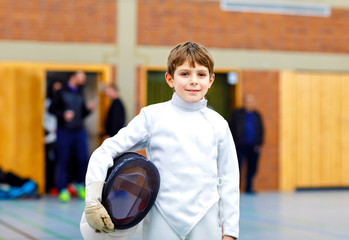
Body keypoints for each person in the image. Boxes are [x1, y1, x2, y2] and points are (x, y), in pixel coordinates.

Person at [80, 42, 240, 240]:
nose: (193, 81)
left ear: (211, 80)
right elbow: (106, 151)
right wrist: (93, 200)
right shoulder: (152, 116)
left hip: (205, 217)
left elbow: (229, 178)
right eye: (184, 74)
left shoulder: (218, 124)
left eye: (201, 74)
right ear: (170, 79)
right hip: (162, 217)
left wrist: (230, 231)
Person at [49, 71, 97, 202]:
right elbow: (52, 109)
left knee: (83, 158)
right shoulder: (61, 92)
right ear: (73, 77)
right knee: (63, 160)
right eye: (80, 78)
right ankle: (62, 189)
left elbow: (82, 113)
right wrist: (63, 114)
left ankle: (80, 184)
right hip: (64, 131)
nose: (82, 81)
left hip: (79, 131)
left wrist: (89, 109)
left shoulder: (80, 92)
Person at [228, 94, 264, 194]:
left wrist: (259, 144)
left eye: (251, 101)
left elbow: (261, 130)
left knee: (252, 168)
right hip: (239, 145)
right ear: (244, 103)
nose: (250, 103)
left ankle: (249, 188)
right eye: (248, 101)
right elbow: (230, 128)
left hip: (253, 146)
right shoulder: (236, 114)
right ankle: (236, 189)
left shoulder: (257, 115)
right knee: (237, 167)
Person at [43, 80, 62, 194]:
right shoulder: (47, 103)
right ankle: (48, 186)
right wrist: (50, 130)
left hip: (60, 136)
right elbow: (44, 119)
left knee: (59, 163)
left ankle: (57, 186)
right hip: (49, 137)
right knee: (49, 163)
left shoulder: (62, 103)